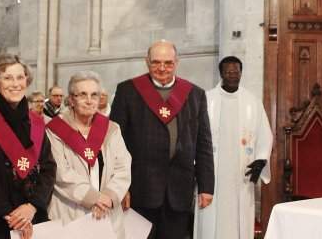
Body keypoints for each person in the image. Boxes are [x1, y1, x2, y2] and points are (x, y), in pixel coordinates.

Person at [110, 40, 214, 239]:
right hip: (140, 188)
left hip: (180, 188)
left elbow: (204, 144)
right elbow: (114, 144)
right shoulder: (128, 91)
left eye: (168, 63)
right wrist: (119, 187)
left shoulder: (195, 94)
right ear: (146, 62)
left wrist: (206, 186)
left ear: (177, 62)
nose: (162, 68)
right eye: (156, 62)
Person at [0, 54, 56, 239]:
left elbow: (48, 168)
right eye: (7, 78)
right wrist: (10, 215)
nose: (15, 84)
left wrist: (33, 206)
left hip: (33, 216)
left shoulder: (36, 123)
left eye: (20, 77)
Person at [47, 71, 131, 239]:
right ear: (71, 99)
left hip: (107, 212)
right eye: (82, 95)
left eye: (94, 95)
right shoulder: (55, 129)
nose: (89, 100)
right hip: (69, 212)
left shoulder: (112, 129)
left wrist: (109, 197)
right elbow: (60, 172)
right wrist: (94, 198)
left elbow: (123, 167)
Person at [196, 56, 272, 239]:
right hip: (211, 173)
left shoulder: (252, 101)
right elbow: (194, 133)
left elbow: (264, 134)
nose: (233, 75)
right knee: (210, 222)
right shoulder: (206, 99)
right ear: (221, 73)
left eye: (236, 71)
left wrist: (261, 160)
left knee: (239, 221)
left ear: (241, 73)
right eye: (228, 72)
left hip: (241, 175)